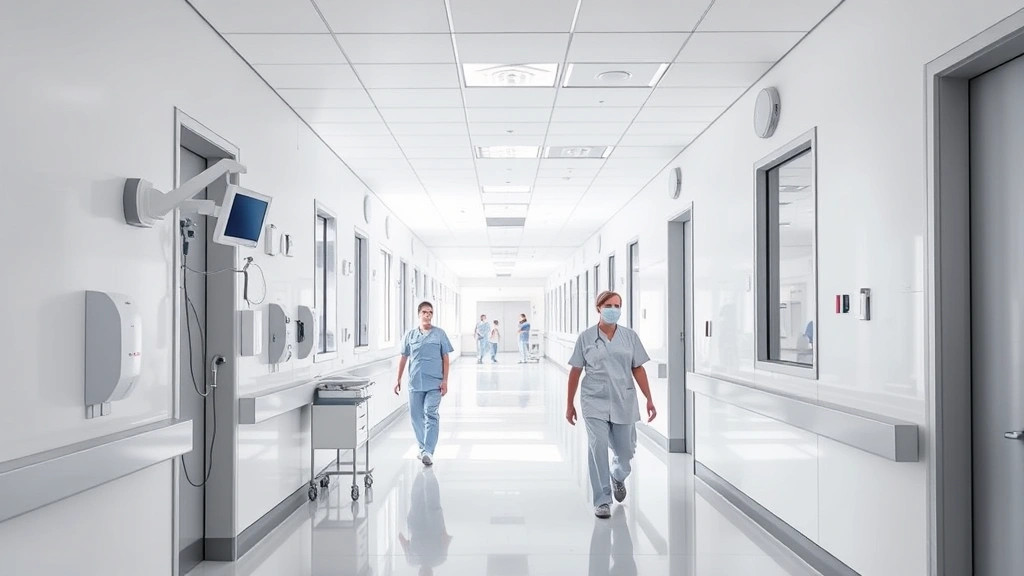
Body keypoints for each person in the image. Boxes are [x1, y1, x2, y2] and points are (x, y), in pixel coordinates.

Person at [566, 291, 657, 519]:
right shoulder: (586, 338)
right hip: (593, 400)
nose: (613, 309)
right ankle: (602, 500)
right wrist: (570, 404)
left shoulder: (630, 337)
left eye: (617, 305)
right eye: (609, 305)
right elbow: (576, 371)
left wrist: (649, 398)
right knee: (597, 447)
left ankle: (618, 475)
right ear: (598, 308)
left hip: (623, 399)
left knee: (625, 452)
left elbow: (638, 367)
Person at [395, 301, 454, 467]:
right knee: (415, 417)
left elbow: (446, 358)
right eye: (424, 312)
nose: (428, 315)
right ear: (419, 314)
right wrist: (398, 379)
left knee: (431, 413)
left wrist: (445, 381)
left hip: (435, 383)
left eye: (430, 312)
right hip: (415, 383)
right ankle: (422, 447)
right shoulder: (410, 335)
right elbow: (404, 357)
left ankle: (428, 451)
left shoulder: (439, 334)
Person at [398, 468, 452, 576]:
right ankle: (427, 473)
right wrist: (442, 523)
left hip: (418, 529)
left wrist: (399, 529)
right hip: (434, 528)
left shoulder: (412, 561)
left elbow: (403, 542)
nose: (425, 573)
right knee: (430, 501)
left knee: (418, 501)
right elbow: (445, 538)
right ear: (432, 573)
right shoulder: (439, 560)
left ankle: (421, 474)